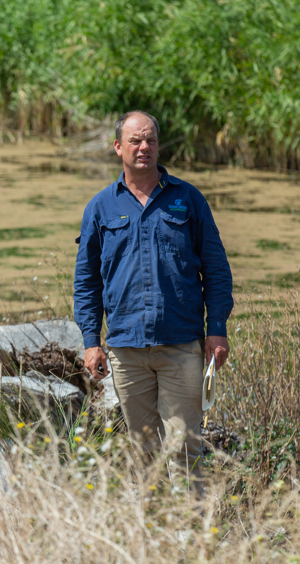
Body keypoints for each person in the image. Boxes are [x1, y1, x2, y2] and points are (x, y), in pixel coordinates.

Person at [73, 111, 233, 486]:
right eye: (135, 141)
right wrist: (90, 342)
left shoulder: (188, 199)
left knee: (184, 448)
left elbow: (216, 270)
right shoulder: (101, 207)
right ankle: (150, 533)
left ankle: (190, 535)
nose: (144, 147)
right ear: (118, 148)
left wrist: (218, 329)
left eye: (150, 141)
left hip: (181, 346)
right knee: (142, 450)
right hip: (127, 351)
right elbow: (86, 281)